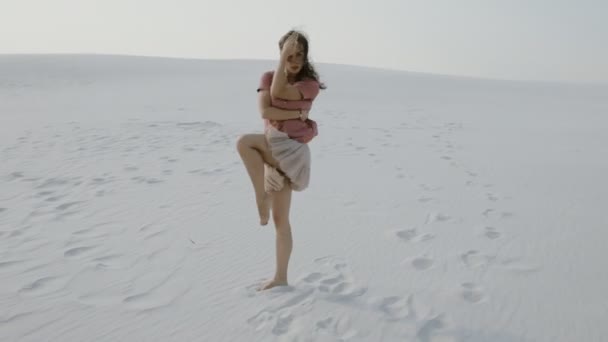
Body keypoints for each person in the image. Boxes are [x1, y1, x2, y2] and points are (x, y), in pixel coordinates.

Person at [236, 30, 325, 290]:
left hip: (291, 151)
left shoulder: (310, 84)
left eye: (299, 54)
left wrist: (286, 103)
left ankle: (260, 197)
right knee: (280, 221)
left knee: (244, 142)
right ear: (280, 54)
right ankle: (280, 277)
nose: (294, 60)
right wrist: (294, 111)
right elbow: (265, 110)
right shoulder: (267, 77)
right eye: (288, 54)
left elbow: (279, 91)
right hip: (272, 150)